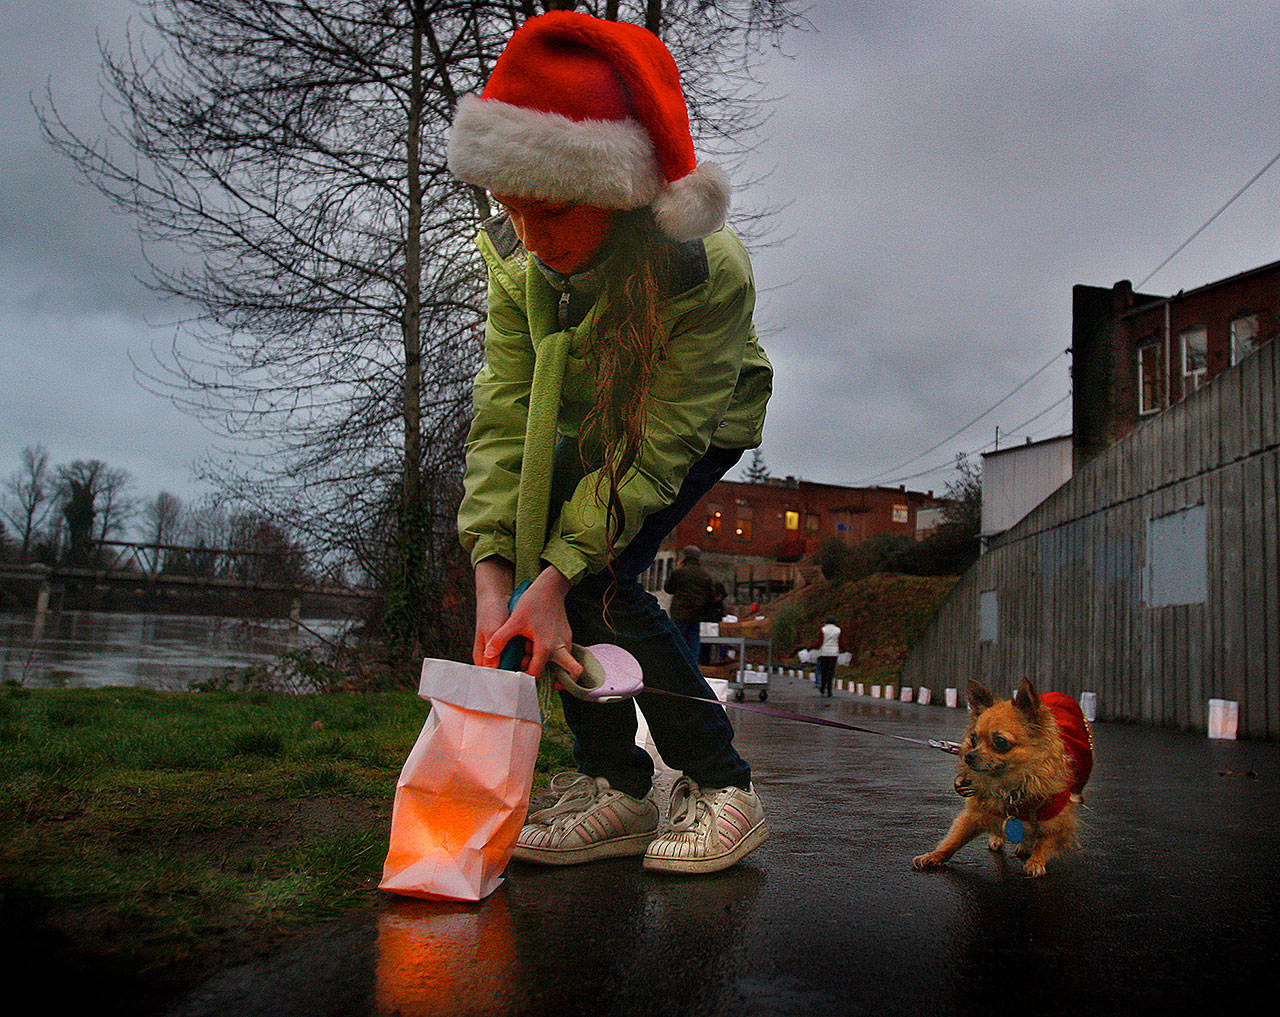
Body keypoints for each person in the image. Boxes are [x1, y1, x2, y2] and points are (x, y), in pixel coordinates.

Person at [448, 11, 773, 874]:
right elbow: (507, 404)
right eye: (510, 207)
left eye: (550, 209)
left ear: (621, 197)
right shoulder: (522, 254)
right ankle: (617, 785)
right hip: (584, 413)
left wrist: (559, 572)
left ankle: (722, 784)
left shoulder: (706, 268)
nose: (528, 234)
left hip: (694, 422)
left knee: (602, 575)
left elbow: (662, 439)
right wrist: (498, 578)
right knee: (548, 580)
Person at [664, 545, 716, 658]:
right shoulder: (705, 575)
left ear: (684, 557)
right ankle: (692, 669)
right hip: (696, 615)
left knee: (677, 645)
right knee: (693, 646)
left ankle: (675, 669)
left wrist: (677, 568)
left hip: (680, 615)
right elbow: (712, 596)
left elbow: (668, 588)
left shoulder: (680, 573)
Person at [818, 616, 841, 698]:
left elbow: (820, 642)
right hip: (834, 653)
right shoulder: (838, 630)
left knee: (824, 671)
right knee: (831, 671)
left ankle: (823, 687)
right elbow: (840, 641)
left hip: (824, 652)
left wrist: (813, 648)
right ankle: (829, 689)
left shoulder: (823, 630)